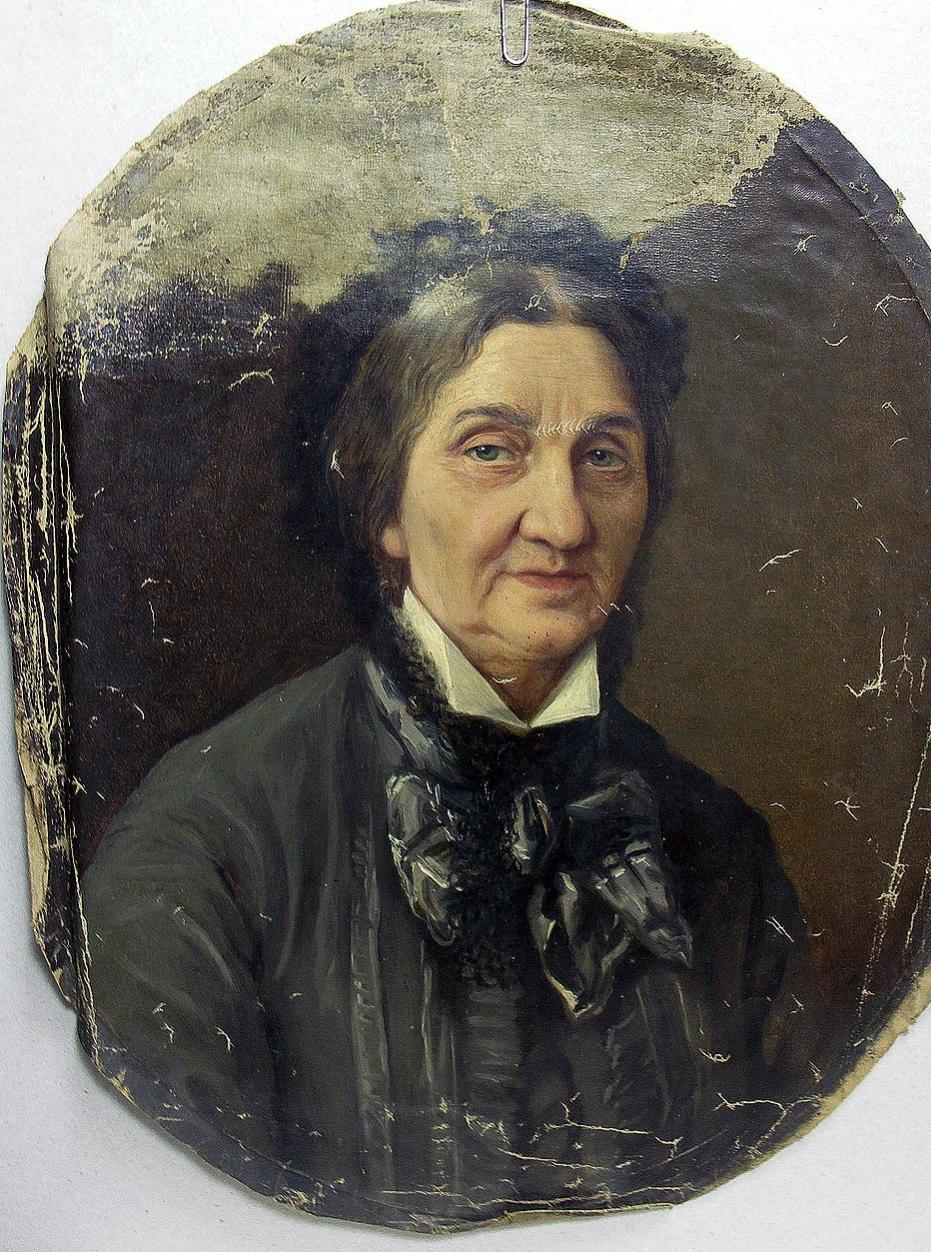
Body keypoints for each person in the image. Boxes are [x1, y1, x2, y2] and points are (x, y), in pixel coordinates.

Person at [81, 221, 816, 1231]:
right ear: (383, 500)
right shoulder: (207, 846)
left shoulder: (723, 852)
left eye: (604, 456)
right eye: (491, 451)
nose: (563, 522)